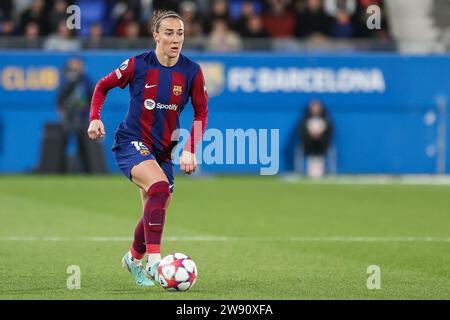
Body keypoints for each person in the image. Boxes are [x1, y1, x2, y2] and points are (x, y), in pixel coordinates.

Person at [87, 10, 208, 287]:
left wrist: (190, 148)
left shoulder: (191, 71)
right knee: (159, 188)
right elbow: (102, 86)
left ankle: (133, 258)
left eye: (180, 33)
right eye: (168, 32)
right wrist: (95, 117)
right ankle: (155, 262)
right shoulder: (138, 65)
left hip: (164, 150)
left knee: (155, 205)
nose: (175, 39)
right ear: (155, 35)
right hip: (132, 141)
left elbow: (202, 113)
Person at [299, 99, 333, 178]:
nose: (315, 109)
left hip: (322, 143)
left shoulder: (326, 118)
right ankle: (311, 168)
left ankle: (320, 168)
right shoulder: (305, 119)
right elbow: (301, 131)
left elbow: (330, 131)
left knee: (324, 146)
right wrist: (311, 135)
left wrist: (320, 135)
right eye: (313, 107)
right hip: (309, 144)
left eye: (317, 107)